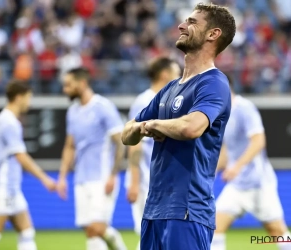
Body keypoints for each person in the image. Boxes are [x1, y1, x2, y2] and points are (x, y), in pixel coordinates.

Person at [121, 3, 236, 250]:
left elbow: (192, 127)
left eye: (192, 22)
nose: (182, 25)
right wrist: (143, 128)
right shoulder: (170, 88)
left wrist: (152, 124)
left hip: (187, 209)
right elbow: (126, 134)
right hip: (153, 210)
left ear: (213, 34)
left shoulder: (214, 83)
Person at [211, 76, 291, 250]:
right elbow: (226, 151)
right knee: (214, 227)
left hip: (258, 183)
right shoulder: (222, 115)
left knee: (277, 232)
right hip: (237, 186)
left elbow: (258, 141)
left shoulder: (244, 108)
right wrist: (210, 174)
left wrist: (236, 167)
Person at [56, 67, 127, 250]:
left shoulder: (102, 107)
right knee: (89, 230)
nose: (65, 90)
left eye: (68, 85)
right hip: (81, 179)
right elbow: (70, 146)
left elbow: (119, 142)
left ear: (82, 83)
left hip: (101, 178)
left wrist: (113, 175)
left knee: (97, 227)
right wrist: (62, 177)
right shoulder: (72, 112)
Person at [0, 80, 56, 250]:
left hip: (11, 188)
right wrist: (45, 178)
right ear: (18, 98)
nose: (30, 102)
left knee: (26, 234)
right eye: (28, 98)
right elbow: (21, 156)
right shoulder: (9, 122)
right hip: (2, 187)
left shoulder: (6, 119)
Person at [126, 57, 181, 250]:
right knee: (148, 236)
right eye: (176, 73)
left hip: (164, 180)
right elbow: (134, 145)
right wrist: (134, 181)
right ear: (165, 75)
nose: (180, 77)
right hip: (145, 181)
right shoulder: (144, 100)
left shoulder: (172, 101)